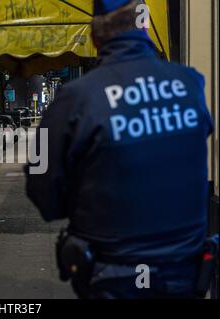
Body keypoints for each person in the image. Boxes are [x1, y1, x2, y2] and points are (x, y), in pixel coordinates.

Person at [26, 0, 214, 299]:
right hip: (185, 272)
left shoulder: (75, 98)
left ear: (94, 37)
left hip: (113, 274)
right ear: (144, 28)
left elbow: (42, 187)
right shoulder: (190, 84)